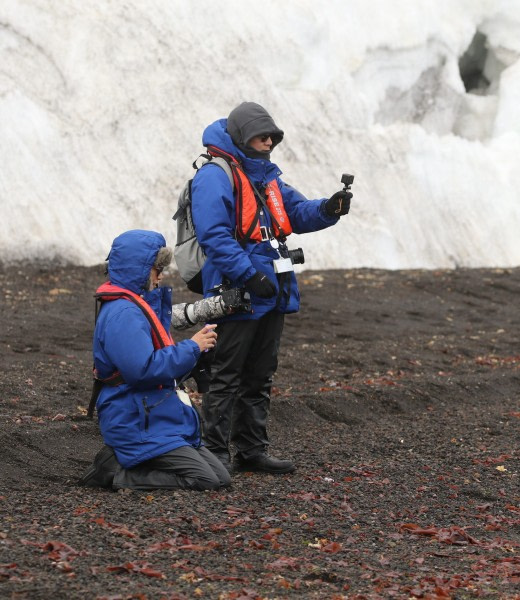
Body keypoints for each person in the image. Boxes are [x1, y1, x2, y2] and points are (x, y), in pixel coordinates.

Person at [191, 101, 352, 474]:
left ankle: (251, 449)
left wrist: (330, 208)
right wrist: (249, 276)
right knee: (225, 372)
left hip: (271, 289)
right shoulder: (216, 175)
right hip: (238, 289)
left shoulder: (266, 176)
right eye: (262, 136)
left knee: (261, 372)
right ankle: (215, 452)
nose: (268, 142)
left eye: (272, 137)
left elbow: (295, 212)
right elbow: (214, 236)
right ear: (243, 136)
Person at [79, 230, 229, 491]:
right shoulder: (123, 313)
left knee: (221, 478)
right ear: (138, 269)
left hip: (153, 413)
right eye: (156, 269)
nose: (160, 275)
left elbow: (151, 368)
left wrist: (195, 355)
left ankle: (129, 462)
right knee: (205, 480)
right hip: (134, 418)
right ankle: (113, 472)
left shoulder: (134, 305)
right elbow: (142, 370)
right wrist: (192, 348)